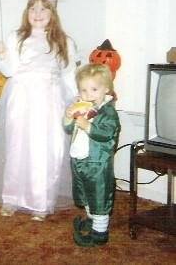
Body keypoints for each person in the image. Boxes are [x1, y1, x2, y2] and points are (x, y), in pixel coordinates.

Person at [0, 0, 78, 221]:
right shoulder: (16, 37)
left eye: (44, 9)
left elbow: (68, 73)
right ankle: (12, 197)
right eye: (33, 9)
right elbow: (10, 71)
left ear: (53, 14)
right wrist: (3, 55)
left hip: (49, 100)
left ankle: (40, 200)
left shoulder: (64, 41)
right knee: (18, 147)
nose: (37, 14)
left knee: (45, 148)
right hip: (21, 97)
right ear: (27, 13)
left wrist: (73, 102)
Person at [64, 63, 120, 247]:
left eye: (94, 89)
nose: (89, 95)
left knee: (98, 197)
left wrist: (87, 126)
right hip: (80, 160)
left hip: (96, 163)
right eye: (84, 90)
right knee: (85, 194)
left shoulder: (107, 111)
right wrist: (68, 116)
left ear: (106, 89)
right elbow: (68, 128)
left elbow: (107, 133)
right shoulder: (83, 107)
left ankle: (100, 232)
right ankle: (91, 219)